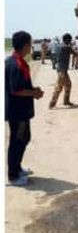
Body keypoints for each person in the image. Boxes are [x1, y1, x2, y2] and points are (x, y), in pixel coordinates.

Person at [6, 31, 43, 186]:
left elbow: (22, 86)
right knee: (17, 141)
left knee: (24, 138)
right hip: (17, 111)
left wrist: (33, 89)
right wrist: (34, 93)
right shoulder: (14, 63)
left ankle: (17, 167)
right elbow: (16, 89)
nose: (31, 48)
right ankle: (13, 176)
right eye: (30, 44)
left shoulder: (19, 61)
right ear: (26, 45)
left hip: (21, 111)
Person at [48, 33, 74, 108]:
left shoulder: (59, 46)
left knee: (67, 84)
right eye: (69, 40)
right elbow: (75, 54)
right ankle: (52, 104)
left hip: (60, 69)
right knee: (59, 87)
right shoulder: (66, 47)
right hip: (62, 70)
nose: (70, 41)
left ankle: (66, 101)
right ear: (66, 39)